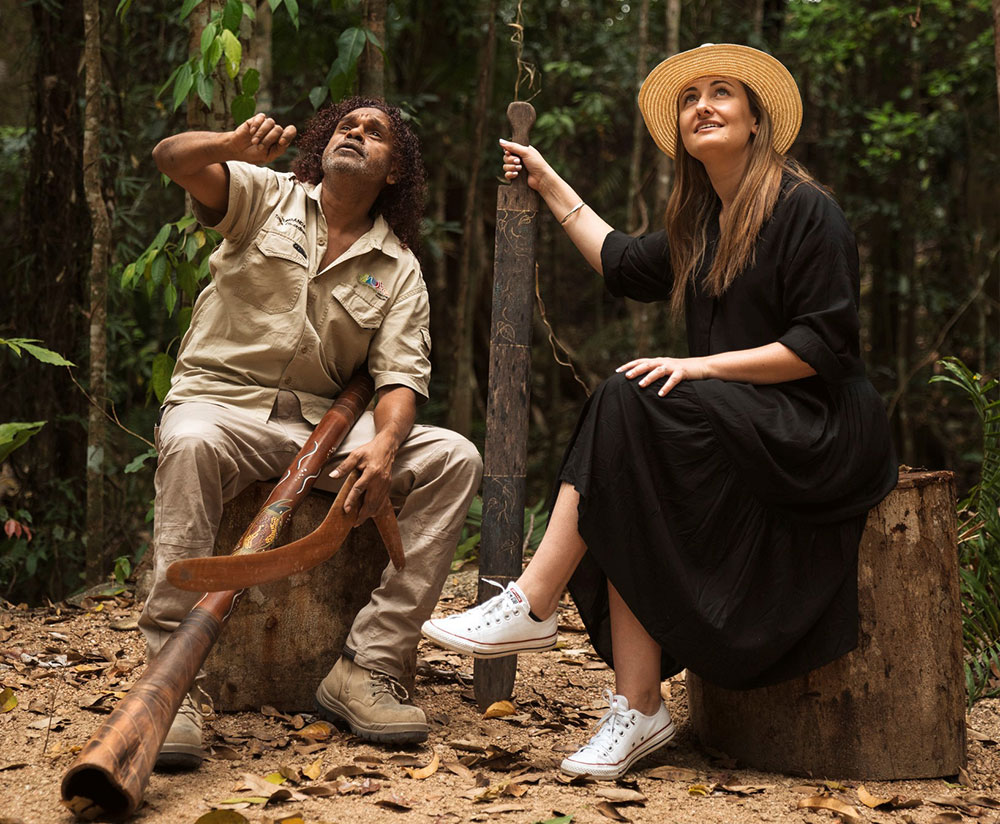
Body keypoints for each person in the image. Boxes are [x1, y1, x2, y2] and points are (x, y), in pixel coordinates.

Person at [422, 44, 897, 780]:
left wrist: (699, 365)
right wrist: (547, 180)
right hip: (746, 421)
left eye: (721, 94)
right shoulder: (704, 221)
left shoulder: (806, 209)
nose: (702, 105)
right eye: (689, 99)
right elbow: (617, 260)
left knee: (630, 394)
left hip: (818, 429)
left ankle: (534, 600)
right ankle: (636, 708)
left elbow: (821, 345)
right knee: (631, 461)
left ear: (754, 119)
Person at [141, 97, 483, 769]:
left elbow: (400, 381)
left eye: (375, 132)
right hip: (221, 407)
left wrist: (384, 446)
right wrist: (231, 144)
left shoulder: (399, 265)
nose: (356, 132)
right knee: (189, 442)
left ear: (394, 173)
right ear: (324, 144)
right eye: (347, 125)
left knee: (453, 457)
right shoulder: (265, 195)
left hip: (318, 432)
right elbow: (170, 159)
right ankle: (171, 682)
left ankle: (369, 665)